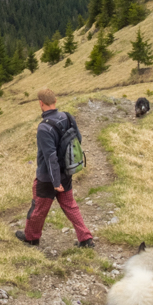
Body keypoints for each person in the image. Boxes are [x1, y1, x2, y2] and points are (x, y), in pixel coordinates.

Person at [16, 88, 95, 248]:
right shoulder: (68, 117)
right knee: (70, 206)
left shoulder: (44, 128)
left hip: (48, 178)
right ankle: (85, 239)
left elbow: (50, 157)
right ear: (55, 101)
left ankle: (31, 238)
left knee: (38, 209)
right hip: (66, 172)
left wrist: (55, 182)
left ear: (41, 103)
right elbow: (78, 139)